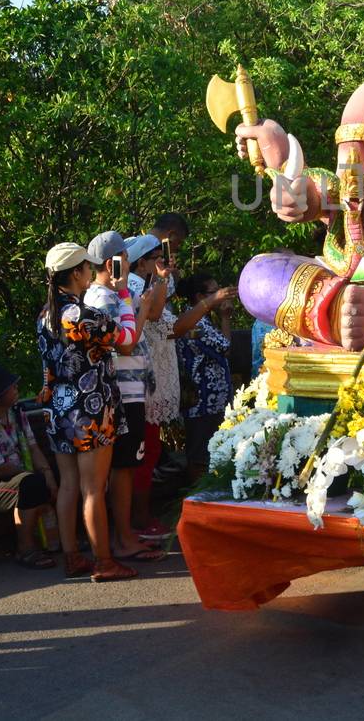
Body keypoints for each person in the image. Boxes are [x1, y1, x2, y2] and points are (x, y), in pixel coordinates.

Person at [38, 240, 136, 582]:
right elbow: (127, 340)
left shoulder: (45, 315)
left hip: (58, 409)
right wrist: (123, 296)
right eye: (85, 268)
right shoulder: (81, 315)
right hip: (91, 410)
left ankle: (72, 557)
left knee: (69, 485)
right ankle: (104, 561)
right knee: (94, 487)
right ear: (77, 272)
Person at [82, 231, 166, 564]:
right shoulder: (103, 298)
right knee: (123, 468)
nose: (129, 264)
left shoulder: (110, 295)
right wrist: (137, 305)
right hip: (121, 390)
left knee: (127, 466)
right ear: (111, 263)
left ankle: (124, 536)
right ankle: (124, 538)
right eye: (125, 259)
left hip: (128, 389)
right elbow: (126, 342)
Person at [0, 362, 58, 569]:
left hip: (17, 476)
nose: (16, 387)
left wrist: (49, 475)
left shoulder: (16, 413)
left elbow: (33, 447)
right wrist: (34, 476)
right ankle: (25, 548)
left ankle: (58, 539)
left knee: (56, 478)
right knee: (32, 484)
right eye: (10, 387)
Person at [127, 233, 177, 540]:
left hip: (146, 380)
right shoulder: (132, 285)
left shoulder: (144, 284)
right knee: (142, 454)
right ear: (141, 262)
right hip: (134, 384)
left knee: (149, 450)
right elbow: (156, 314)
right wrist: (161, 279)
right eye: (156, 258)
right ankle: (139, 520)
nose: (161, 262)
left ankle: (140, 518)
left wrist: (161, 279)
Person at [174, 273, 240, 475]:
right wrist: (226, 318)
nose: (220, 297)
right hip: (204, 400)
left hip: (207, 400)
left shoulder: (198, 319)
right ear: (199, 297)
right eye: (214, 293)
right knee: (201, 455)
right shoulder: (197, 323)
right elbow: (225, 348)